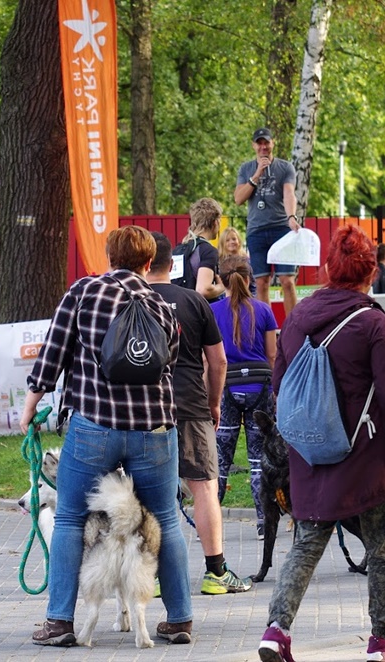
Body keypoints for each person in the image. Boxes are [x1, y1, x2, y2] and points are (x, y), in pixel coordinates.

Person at [258, 224, 385, 662]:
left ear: (331, 269)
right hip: (366, 453)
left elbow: (280, 383)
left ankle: (276, 631)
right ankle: (382, 636)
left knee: (308, 541)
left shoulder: (298, 317)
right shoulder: (372, 321)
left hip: (312, 451)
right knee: (381, 545)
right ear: (369, 273)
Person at [20, 225, 193, 647]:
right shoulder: (161, 304)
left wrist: (31, 403)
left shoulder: (83, 293)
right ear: (149, 263)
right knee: (166, 519)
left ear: (109, 256)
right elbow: (169, 356)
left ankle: (59, 622)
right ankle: (180, 619)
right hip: (154, 428)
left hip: (94, 424)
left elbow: (55, 351)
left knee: (70, 519)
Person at [147, 232, 251, 594]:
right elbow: (218, 361)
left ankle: (154, 575)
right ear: (170, 264)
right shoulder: (193, 301)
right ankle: (216, 572)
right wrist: (214, 402)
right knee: (205, 487)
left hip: (142, 408)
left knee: (148, 491)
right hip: (190, 402)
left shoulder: (131, 300)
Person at [212, 254, 278, 539]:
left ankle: (210, 522)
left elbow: (210, 359)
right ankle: (264, 522)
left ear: (220, 280)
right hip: (260, 387)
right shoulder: (264, 311)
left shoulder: (213, 312)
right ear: (250, 279)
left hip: (227, 387)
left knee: (220, 459)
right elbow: (273, 354)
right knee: (257, 459)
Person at [233, 127, 300, 315]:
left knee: (287, 280)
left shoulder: (285, 167)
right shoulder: (246, 169)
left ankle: (291, 329)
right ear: (254, 145)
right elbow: (238, 199)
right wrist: (256, 176)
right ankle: (266, 330)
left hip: (281, 229)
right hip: (257, 230)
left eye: (266, 142)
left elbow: (289, 193)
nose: (263, 146)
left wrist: (291, 218)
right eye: (259, 143)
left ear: (272, 144)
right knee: (261, 282)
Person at [176, 198, 225, 302]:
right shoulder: (208, 251)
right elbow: (203, 290)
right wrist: (221, 287)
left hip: (176, 310)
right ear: (215, 222)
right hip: (197, 312)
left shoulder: (178, 250)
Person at [219, 226, 257, 296]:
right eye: (227, 240)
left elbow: (253, 283)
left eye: (234, 239)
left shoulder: (246, 261)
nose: (232, 242)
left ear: (239, 241)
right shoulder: (220, 262)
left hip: (245, 297)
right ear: (222, 244)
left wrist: (252, 298)